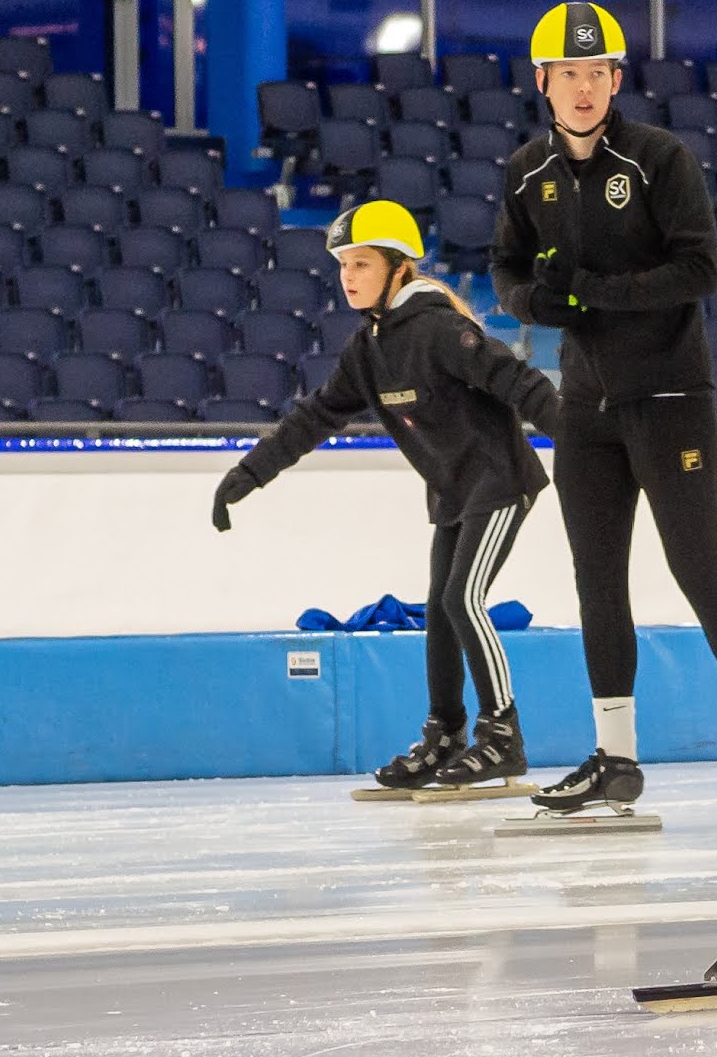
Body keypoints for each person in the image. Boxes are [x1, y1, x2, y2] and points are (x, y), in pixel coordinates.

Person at [490, 2, 717, 813]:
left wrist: (592, 294)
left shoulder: (659, 159)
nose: (584, 88)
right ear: (542, 81)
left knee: (700, 574)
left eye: (598, 73)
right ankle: (615, 757)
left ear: (616, 80)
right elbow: (507, 270)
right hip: (585, 408)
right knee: (597, 583)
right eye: (569, 74)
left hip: (671, 396)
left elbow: (699, 270)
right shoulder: (527, 173)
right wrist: (532, 305)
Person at [212, 200, 561, 789]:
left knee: (463, 600)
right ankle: (445, 734)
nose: (349, 276)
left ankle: (502, 737)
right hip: (453, 492)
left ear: (399, 268)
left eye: (362, 264)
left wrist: (583, 443)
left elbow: (517, 380)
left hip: (500, 483)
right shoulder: (368, 350)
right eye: (344, 265)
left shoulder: (439, 330)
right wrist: (246, 476)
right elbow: (315, 417)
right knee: (442, 614)